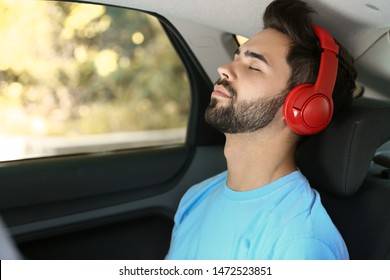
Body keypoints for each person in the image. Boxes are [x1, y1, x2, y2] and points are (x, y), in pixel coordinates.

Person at [165, 0, 356, 260]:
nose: (224, 69)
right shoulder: (196, 197)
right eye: (236, 57)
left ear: (304, 108)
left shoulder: (300, 243)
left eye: (254, 66)